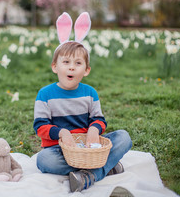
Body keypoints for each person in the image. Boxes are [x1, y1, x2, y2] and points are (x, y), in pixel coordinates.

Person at [33, 12, 132, 192]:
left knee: (124, 137)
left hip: (89, 147)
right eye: (66, 62)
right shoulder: (45, 94)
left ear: (86, 70)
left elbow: (99, 119)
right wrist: (62, 132)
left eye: (78, 63)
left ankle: (89, 175)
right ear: (55, 66)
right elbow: (40, 126)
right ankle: (105, 168)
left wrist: (95, 129)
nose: (71, 66)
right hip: (59, 149)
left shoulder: (89, 93)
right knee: (43, 160)